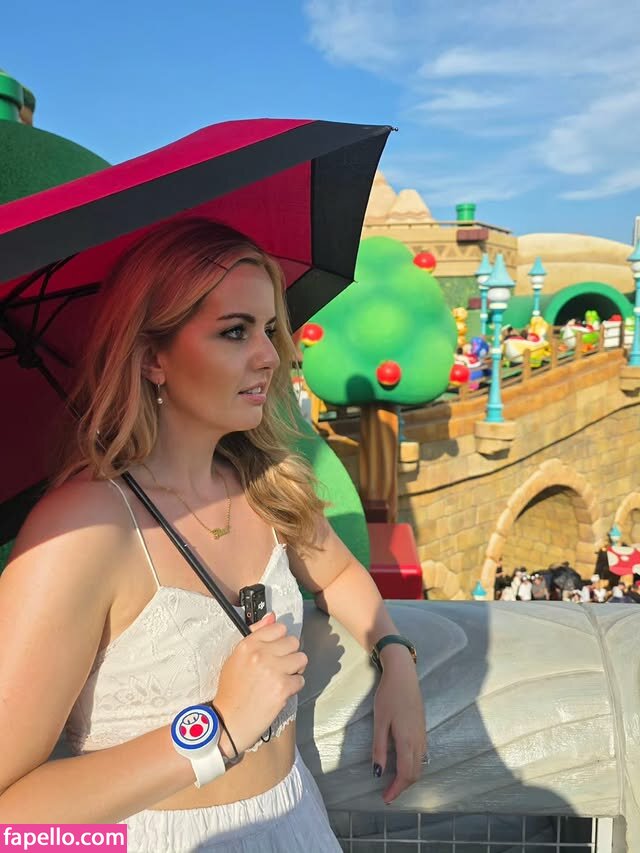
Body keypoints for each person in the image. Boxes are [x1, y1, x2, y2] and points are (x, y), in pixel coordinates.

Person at [0, 219, 426, 852]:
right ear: (153, 359)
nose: (272, 356)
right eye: (235, 331)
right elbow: (10, 812)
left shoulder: (265, 483)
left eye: (270, 329)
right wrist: (216, 729)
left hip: (295, 820)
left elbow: (337, 573)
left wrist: (394, 657)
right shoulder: (82, 530)